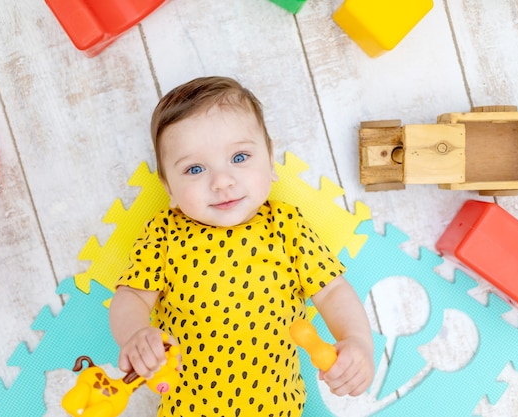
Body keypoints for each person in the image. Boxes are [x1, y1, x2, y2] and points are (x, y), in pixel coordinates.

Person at [109, 76, 374, 416]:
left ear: (270, 158)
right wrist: (135, 334)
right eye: (194, 168)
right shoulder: (164, 233)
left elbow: (332, 291)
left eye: (239, 157)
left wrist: (358, 343)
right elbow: (131, 295)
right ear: (168, 186)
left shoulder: (286, 225)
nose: (221, 181)